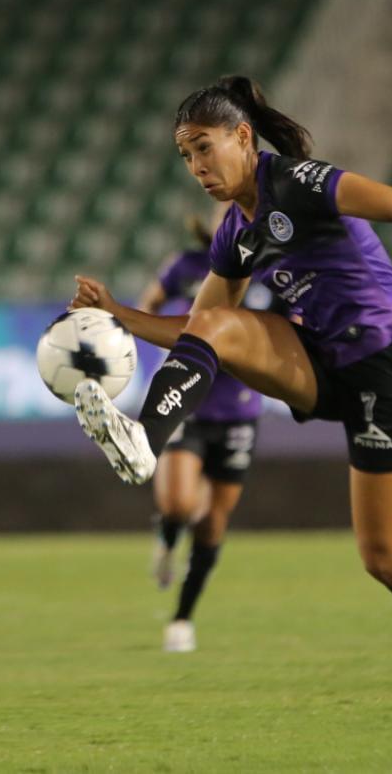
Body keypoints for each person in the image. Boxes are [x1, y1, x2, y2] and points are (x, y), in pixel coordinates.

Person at [69, 76, 392, 755]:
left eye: (204, 147)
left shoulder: (298, 182)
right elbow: (195, 328)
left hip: (387, 369)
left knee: (384, 557)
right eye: (185, 155)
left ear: (243, 137)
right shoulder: (234, 233)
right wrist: (116, 313)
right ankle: (144, 438)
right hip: (320, 366)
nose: (196, 167)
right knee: (219, 324)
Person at [136, 212, 269, 653]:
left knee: (212, 524)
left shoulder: (272, 269)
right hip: (187, 402)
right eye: (221, 206)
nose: (227, 213)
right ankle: (167, 537)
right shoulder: (187, 265)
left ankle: (182, 618)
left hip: (239, 411)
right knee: (178, 503)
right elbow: (150, 302)